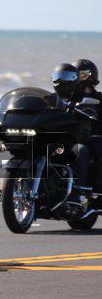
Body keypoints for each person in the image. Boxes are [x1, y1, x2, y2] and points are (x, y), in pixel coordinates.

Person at [50, 63, 92, 204]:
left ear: (75, 79)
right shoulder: (51, 98)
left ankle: (76, 193)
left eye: (67, 77)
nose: (60, 81)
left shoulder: (82, 98)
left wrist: (87, 110)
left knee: (80, 150)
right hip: (51, 139)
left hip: (74, 140)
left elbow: (91, 112)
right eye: (57, 77)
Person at [72, 59, 102, 193]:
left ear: (92, 76)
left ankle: (93, 189)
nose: (78, 78)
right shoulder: (66, 96)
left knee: (93, 145)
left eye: (83, 75)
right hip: (68, 137)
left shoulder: (99, 99)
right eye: (75, 75)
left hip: (89, 138)